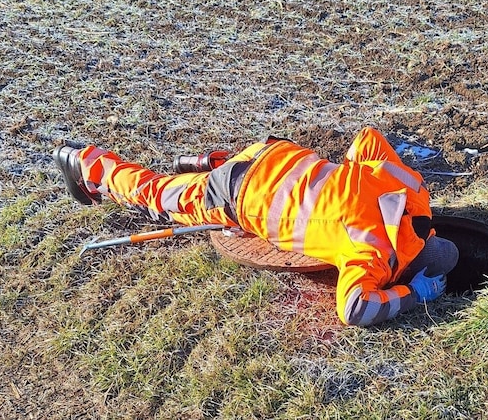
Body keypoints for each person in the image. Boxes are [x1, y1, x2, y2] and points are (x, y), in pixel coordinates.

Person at [53, 127, 458, 326]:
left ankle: (202, 162)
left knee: (257, 169)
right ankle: (85, 162)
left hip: (277, 153)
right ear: (405, 267)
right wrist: (411, 294)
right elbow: (356, 309)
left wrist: (344, 179)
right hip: (235, 193)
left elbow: (366, 139)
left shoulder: (413, 192)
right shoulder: (372, 255)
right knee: (158, 196)